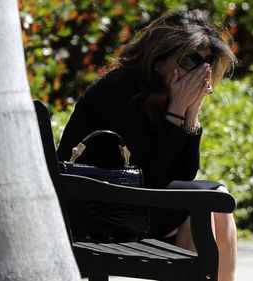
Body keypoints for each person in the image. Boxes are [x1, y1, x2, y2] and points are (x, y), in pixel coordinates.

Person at [57, 9, 238, 281]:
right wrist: (177, 110)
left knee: (215, 207)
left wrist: (191, 113)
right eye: (191, 60)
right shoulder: (120, 91)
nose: (202, 70)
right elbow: (152, 178)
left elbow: (183, 175)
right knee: (205, 206)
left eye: (208, 61)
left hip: (136, 204)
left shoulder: (169, 92)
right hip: (100, 210)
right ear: (159, 59)